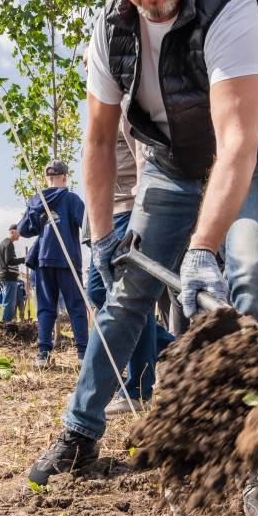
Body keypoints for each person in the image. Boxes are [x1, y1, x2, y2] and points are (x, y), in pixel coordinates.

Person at [28, 0, 258, 516]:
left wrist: (204, 248)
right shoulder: (109, 27)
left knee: (250, 279)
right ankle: (79, 431)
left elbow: (235, 143)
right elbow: (96, 142)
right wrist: (99, 239)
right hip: (171, 165)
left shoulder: (230, 6)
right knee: (127, 292)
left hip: (256, 156)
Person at [84, 120, 158, 415]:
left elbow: (143, 152)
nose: (86, 69)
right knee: (98, 291)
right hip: (105, 215)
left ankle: (139, 388)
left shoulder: (123, 100)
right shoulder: (99, 101)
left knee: (131, 297)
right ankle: (170, 346)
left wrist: (143, 208)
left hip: (128, 209)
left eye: (88, 67)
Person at [18, 160, 89, 366]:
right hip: (67, 259)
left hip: (43, 260)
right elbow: (87, 225)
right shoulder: (71, 199)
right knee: (76, 306)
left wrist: (39, 217)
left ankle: (43, 355)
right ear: (65, 177)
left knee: (46, 307)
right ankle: (82, 355)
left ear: (45, 178)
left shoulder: (35, 200)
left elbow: (23, 230)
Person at [0, 226, 26, 321]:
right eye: (19, 232)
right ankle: (4, 325)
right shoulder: (8, 243)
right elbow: (9, 261)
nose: (20, 235)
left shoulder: (5, 243)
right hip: (8, 278)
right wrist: (24, 259)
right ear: (13, 232)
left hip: (5, 277)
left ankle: (4, 324)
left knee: (8, 302)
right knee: (10, 304)